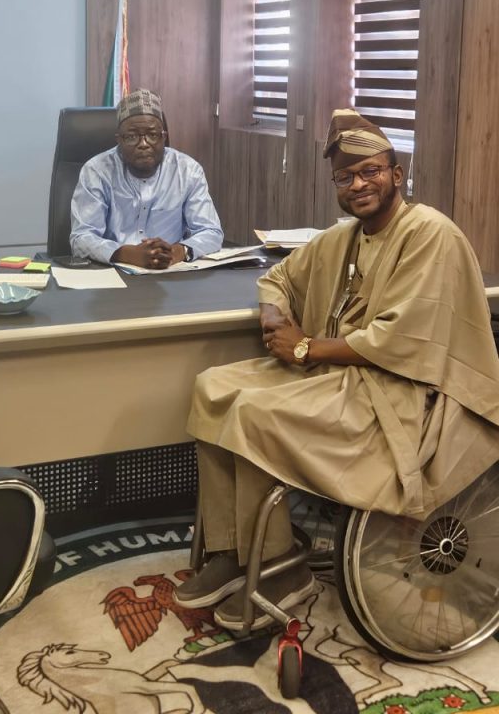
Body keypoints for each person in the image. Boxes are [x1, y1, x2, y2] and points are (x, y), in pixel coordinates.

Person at [174, 108, 499, 631]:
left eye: (370, 171)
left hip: (401, 396)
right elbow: (279, 277)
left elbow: (400, 342)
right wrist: (274, 315)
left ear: (397, 173)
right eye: (345, 177)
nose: (359, 185)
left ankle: (281, 567)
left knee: (256, 414)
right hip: (339, 375)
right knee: (212, 387)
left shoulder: (430, 234)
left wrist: (305, 348)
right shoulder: (345, 237)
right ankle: (234, 550)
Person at [70, 88, 223, 268]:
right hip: (112, 272)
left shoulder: (187, 171)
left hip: (171, 271)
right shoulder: (97, 171)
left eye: (152, 135)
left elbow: (211, 232)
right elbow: (81, 237)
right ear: (119, 139)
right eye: (132, 136)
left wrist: (177, 252)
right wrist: (127, 254)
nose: (143, 144)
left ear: (163, 137)